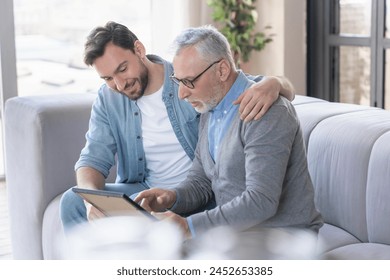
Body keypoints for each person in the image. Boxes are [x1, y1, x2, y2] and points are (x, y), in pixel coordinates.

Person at [59, 21, 296, 233]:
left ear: (139, 50)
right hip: (151, 192)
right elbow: (92, 159)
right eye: (108, 78)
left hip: (200, 194)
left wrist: (275, 82)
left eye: (122, 69)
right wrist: (93, 202)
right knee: (72, 201)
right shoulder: (109, 97)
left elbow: (238, 82)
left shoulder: (188, 77)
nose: (119, 84)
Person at [135, 25, 323, 239]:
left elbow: (261, 201)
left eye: (188, 82)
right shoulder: (209, 105)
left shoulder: (265, 111)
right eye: (178, 81)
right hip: (238, 234)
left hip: (282, 239)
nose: (181, 94)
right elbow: (201, 181)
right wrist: (171, 197)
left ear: (222, 70)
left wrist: (189, 226)